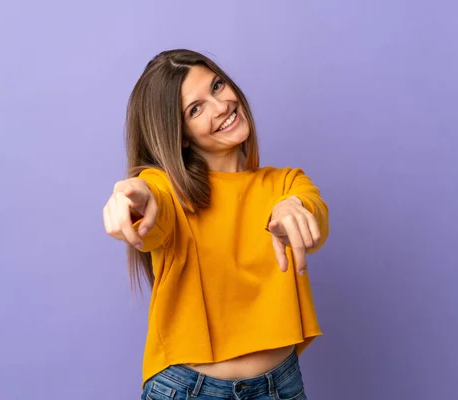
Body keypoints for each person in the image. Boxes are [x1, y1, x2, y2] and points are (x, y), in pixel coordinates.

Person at [103, 49, 329, 400]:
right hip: (189, 390)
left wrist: (294, 209)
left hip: (280, 387)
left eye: (217, 86)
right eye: (196, 109)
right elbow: (151, 201)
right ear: (180, 135)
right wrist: (133, 197)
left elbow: (312, 211)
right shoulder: (170, 192)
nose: (221, 105)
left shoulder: (285, 184)